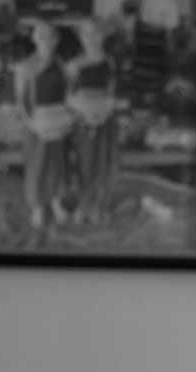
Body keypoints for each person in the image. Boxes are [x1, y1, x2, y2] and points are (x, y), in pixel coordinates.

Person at [15, 19, 75, 232]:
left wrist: (69, 116)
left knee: (58, 163)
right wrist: (32, 123)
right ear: (34, 39)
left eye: (51, 37)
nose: (46, 41)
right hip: (36, 124)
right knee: (37, 165)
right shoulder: (25, 67)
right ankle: (38, 206)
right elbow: (21, 101)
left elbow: (68, 94)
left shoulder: (61, 65)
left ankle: (56, 201)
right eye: (41, 36)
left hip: (58, 119)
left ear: (57, 40)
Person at [66, 19, 119, 226]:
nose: (91, 39)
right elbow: (67, 97)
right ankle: (83, 204)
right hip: (83, 122)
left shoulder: (109, 62)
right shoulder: (74, 65)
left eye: (96, 34)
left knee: (102, 163)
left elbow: (112, 92)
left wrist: (103, 113)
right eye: (87, 35)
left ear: (103, 37)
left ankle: (98, 205)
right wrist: (85, 115)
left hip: (105, 119)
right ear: (80, 37)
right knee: (84, 163)